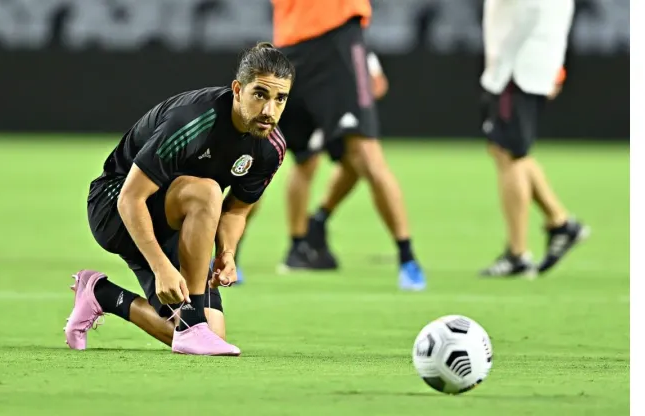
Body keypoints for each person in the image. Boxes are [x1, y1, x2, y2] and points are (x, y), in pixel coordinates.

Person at [63, 42, 295, 355]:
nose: (270, 110)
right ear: (238, 89)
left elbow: (237, 211)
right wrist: (161, 267)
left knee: (215, 335)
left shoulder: (270, 146)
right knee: (207, 190)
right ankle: (191, 324)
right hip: (116, 209)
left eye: (280, 98)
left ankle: (101, 295)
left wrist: (227, 252)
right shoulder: (194, 120)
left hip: (176, 220)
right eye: (260, 95)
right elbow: (130, 198)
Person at [266, 0, 427, 291]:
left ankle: (407, 258)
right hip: (290, 43)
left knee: (363, 153)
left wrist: (368, 58)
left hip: (336, 40)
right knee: (289, 157)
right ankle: (293, 248)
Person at [234, 49, 389, 284]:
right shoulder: (307, 42)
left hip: (334, 111)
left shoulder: (355, 48)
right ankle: (234, 252)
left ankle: (315, 225)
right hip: (300, 107)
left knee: (353, 164)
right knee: (266, 173)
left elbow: (378, 84)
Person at [478, 0, 590, 277]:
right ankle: (561, 222)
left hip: (518, 63)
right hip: (525, 59)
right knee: (507, 150)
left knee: (509, 153)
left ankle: (518, 254)